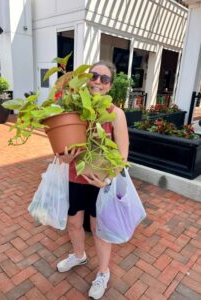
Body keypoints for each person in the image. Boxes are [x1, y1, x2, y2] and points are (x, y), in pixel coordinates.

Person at [56, 61, 129, 299]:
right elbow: (61, 143)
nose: (98, 81)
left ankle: (103, 273)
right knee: (74, 222)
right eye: (94, 76)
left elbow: (122, 154)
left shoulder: (116, 114)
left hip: (101, 182)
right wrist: (64, 158)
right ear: (86, 79)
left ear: (109, 87)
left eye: (104, 79)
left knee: (99, 230)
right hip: (75, 177)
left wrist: (107, 180)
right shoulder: (74, 109)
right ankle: (79, 255)